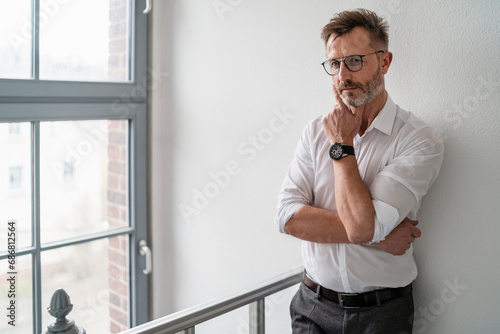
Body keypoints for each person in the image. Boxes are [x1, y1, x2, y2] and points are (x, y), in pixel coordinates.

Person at [275, 8, 444, 334]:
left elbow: (365, 226)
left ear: (384, 62)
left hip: (381, 315)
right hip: (311, 307)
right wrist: (378, 238)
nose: (342, 75)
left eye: (354, 60)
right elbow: (286, 217)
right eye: (334, 64)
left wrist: (341, 144)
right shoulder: (313, 132)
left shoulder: (419, 139)